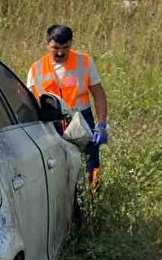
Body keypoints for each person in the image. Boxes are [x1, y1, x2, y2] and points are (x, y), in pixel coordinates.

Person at [26, 24, 109, 188]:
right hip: (52, 126)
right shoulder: (36, 69)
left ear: (71, 43)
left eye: (65, 47)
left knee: (89, 167)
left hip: (81, 122)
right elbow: (29, 104)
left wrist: (101, 125)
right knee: (58, 171)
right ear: (46, 44)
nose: (60, 53)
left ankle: (91, 203)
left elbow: (98, 94)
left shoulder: (84, 62)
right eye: (55, 48)